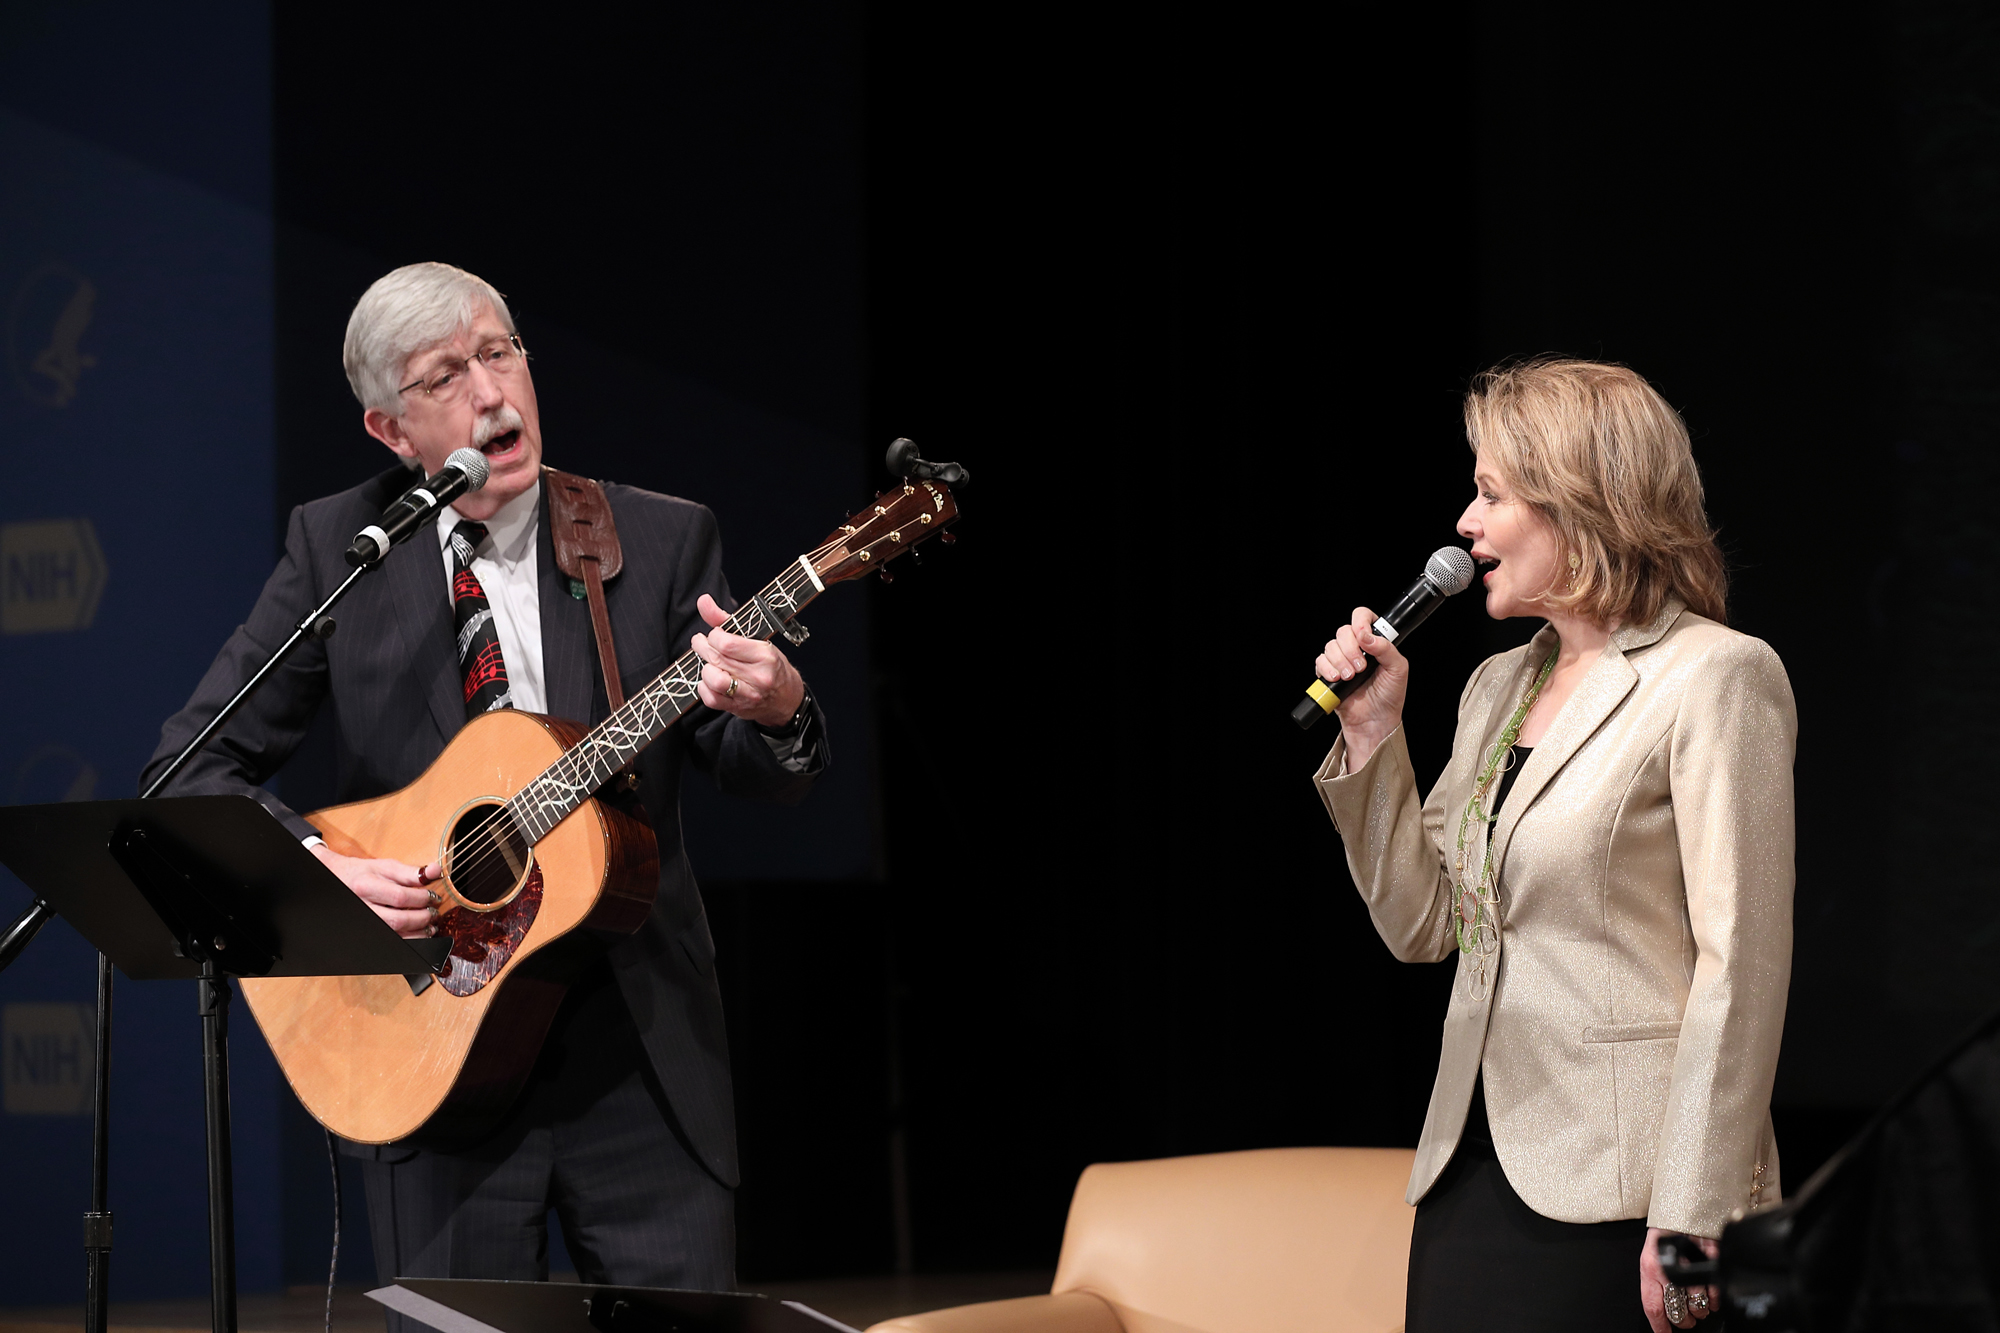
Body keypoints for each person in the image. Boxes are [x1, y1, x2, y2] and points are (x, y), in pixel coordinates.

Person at [141, 262, 826, 1301]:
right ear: (389, 431)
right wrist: (313, 865)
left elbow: (743, 761)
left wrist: (775, 710)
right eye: (445, 375)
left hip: (636, 1055)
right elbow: (189, 764)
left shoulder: (653, 533)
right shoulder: (337, 551)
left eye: (500, 351)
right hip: (433, 1046)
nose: (493, 392)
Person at [1310, 359, 1794, 1333]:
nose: (1464, 524)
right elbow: (1425, 925)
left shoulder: (1713, 677)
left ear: (1579, 499)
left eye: (1490, 493)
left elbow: (1737, 970)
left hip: (1631, 1191)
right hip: (1470, 1171)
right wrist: (1373, 738)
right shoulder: (1497, 685)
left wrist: (1691, 1220)